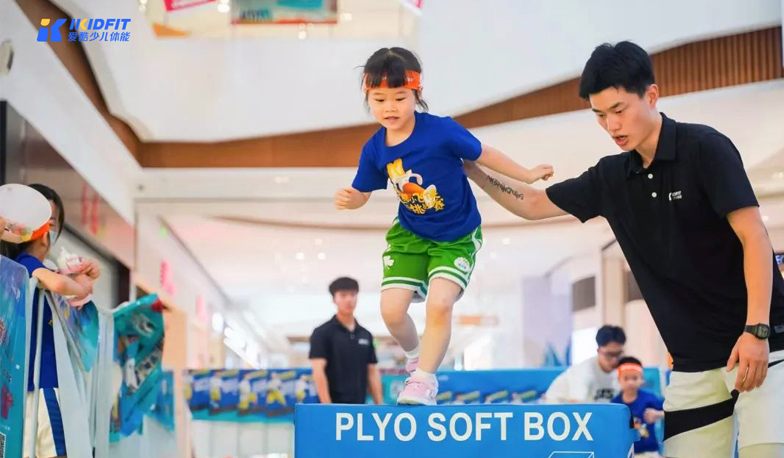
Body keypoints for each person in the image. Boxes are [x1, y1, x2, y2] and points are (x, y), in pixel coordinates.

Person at [465, 41, 784, 458]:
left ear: (651, 96)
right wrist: (470, 167)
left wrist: (757, 330)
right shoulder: (610, 178)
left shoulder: (705, 148)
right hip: (692, 363)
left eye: (619, 110)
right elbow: (532, 203)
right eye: (599, 115)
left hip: (764, 344)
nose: (611, 125)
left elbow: (754, 236)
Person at [334, 47, 553, 405]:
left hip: (455, 237)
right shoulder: (375, 148)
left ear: (416, 94)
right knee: (391, 311)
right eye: (379, 99)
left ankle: (424, 381)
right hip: (409, 235)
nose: (390, 108)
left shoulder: (441, 131)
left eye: (399, 98)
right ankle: (416, 357)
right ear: (368, 98)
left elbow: (485, 153)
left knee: (439, 304)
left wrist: (526, 174)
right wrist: (353, 199)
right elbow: (364, 191)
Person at [1, 184, 101, 458]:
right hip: (43, 383)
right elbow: (57, 284)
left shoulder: (24, 271)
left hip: (26, 388)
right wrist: (80, 287)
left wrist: (83, 278)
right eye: (46, 221)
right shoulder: (26, 266)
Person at [309, 277, 383, 405]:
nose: (349, 299)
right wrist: (327, 406)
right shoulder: (322, 332)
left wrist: (380, 406)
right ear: (334, 299)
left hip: (360, 406)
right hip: (333, 405)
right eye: (343, 295)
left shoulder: (365, 334)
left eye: (353, 294)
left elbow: (372, 370)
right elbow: (318, 371)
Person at [544, 325, 624, 403]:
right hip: (557, 407)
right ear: (598, 351)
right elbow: (577, 406)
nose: (614, 360)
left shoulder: (621, 370)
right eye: (609, 354)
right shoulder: (584, 371)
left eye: (618, 354)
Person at [611, 356, 664, 458]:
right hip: (625, 452)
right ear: (619, 380)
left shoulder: (650, 398)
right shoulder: (615, 404)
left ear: (642, 379)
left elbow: (669, 412)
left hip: (649, 452)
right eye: (626, 378)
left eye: (635, 378)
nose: (630, 382)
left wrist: (657, 414)